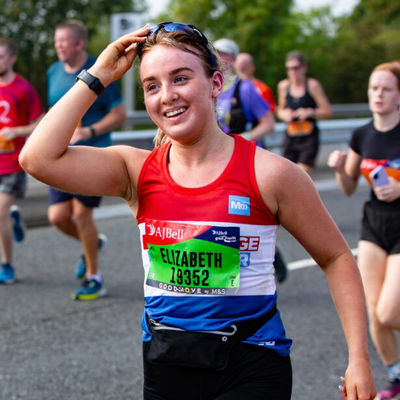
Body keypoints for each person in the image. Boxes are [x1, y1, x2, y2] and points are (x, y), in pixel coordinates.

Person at [20, 22, 376, 400]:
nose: (167, 96)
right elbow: (36, 158)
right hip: (166, 362)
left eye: (180, 78)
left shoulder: (271, 174)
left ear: (216, 84)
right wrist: (98, 76)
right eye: (152, 86)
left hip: (252, 363)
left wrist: (359, 359)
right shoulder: (136, 170)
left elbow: (336, 257)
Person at [328, 62, 400, 400]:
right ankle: (396, 374)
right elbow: (348, 186)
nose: (378, 95)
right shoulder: (362, 134)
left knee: (389, 310)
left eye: (386, 89)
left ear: (398, 94)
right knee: (373, 313)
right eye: (374, 88)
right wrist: (342, 168)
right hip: (374, 222)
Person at [47, 20, 126, 300]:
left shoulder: (99, 69)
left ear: (79, 43)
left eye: (63, 41)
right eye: (56, 40)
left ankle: (94, 277)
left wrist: (89, 131)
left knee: (82, 214)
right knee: (57, 217)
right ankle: (93, 242)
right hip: (61, 152)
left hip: (94, 152)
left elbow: (119, 114)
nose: (57, 45)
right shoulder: (53, 72)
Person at [214, 39, 288, 283]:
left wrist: (243, 139)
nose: (218, 58)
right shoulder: (209, 87)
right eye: (215, 53)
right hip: (217, 160)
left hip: (246, 161)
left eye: (224, 55)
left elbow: (268, 123)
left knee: (243, 218)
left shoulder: (245, 89)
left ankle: (269, 255)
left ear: (233, 60)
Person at [0, 38, 44, 284]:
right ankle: (12, 218)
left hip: (14, 164)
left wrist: (17, 131)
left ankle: (6, 266)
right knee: (2, 214)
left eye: (1, 57)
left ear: (12, 58)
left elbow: (41, 122)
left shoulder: (23, 88)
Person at [276, 50, 332, 175]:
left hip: (308, 137)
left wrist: (309, 112)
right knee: (288, 175)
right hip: (291, 136)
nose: (293, 72)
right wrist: (285, 114)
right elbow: (279, 110)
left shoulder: (312, 85)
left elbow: (327, 111)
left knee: (302, 174)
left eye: (296, 68)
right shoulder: (284, 86)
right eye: (289, 69)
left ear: (304, 68)